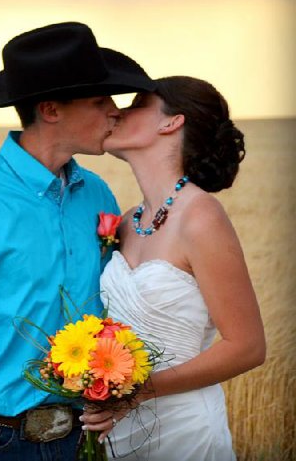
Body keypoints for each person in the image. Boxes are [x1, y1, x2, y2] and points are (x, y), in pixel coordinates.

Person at [0, 22, 155, 461]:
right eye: (100, 100)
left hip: (86, 440)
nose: (116, 111)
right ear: (51, 110)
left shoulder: (97, 194)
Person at [80, 76, 266, 460]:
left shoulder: (201, 217)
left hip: (186, 432)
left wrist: (138, 392)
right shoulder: (128, 221)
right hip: (120, 432)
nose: (117, 112)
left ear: (171, 123)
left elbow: (247, 347)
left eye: (136, 104)